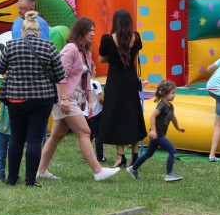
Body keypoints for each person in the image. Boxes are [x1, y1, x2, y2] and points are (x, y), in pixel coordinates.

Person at [36, 17, 120, 182]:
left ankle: (41, 170)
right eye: (91, 30)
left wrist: (89, 101)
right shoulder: (70, 49)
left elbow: (87, 79)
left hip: (75, 97)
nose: (93, 34)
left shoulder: (86, 52)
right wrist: (64, 99)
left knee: (57, 135)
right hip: (65, 97)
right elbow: (60, 75)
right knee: (85, 132)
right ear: (81, 31)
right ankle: (98, 170)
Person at [0, 11, 65, 187]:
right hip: (42, 99)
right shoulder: (48, 46)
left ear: (23, 31)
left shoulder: (11, 46)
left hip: (16, 99)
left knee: (16, 138)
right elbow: (60, 74)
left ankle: (11, 179)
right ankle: (30, 180)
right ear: (38, 31)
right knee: (34, 139)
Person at [98, 9, 147, 168]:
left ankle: (120, 156)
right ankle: (134, 154)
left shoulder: (107, 39)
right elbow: (134, 57)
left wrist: (114, 58)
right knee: (133, 115)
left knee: (116, 115)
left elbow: (102, 59)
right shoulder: (136, 37)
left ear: (115, 22)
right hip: (130, 80)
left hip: (115, 80)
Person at [127, 80, 185, 182]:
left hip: (158, 135)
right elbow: (153, 116)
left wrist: (178, 127)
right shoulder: (161, 105)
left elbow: (173, 118)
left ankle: (133, 168)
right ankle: (169, 174)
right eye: (172, 93)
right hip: (157, 135)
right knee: (172, 151)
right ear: (164, 94)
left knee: (148, 154)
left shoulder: (170, 106)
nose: (174, 95)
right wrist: (153, 130)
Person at [86, 78, 105, 162]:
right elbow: (99, 99)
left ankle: (87, 157)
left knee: (87, 136)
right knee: (98, 136)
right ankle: (100, 157)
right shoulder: (95, 83)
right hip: (95, 112)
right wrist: (106, 105)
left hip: (85, 113)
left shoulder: (81, 82)